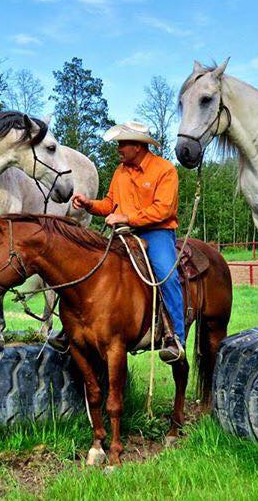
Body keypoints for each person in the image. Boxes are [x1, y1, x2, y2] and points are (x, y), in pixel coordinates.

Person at [49, 121, 185, 363]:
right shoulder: (120, 171)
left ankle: (175, 338)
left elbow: (163, 210)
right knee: (87, 265)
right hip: (122, 232)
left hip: (156, 232)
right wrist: (90, 204)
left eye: (123, 144)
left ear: (138, 146)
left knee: (167, 274)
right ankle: (69, 328)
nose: (119, 149)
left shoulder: (165, 170)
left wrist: (127, 217)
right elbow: (110, 204)